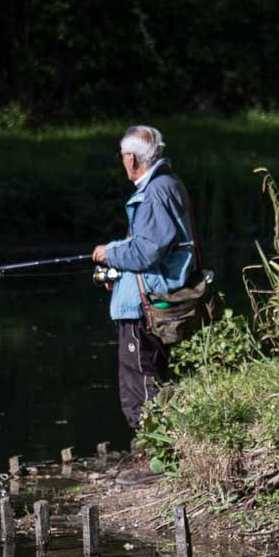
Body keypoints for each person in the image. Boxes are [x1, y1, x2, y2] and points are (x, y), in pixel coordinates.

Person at [91, 125, 199, 442]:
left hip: (145, 303)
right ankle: (158, 452)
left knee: (138, 383)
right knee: (150, 375)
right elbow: (151, 243)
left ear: (131, 158)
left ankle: (152, 457)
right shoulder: (169, 183)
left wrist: (110, 254)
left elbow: (147, 251)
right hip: (153, 293)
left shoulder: (153, 192)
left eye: (123, 155)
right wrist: (118, 263)